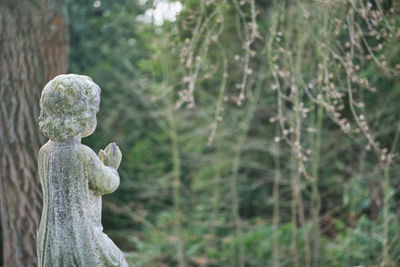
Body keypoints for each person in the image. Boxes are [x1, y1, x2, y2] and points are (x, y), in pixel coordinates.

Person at [37, 74, 129, 266]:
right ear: (83, 116)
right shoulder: (82, 153)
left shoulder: (44, 152)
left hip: (51, 235)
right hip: (81, 236)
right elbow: (107, 184)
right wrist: (111, 166)